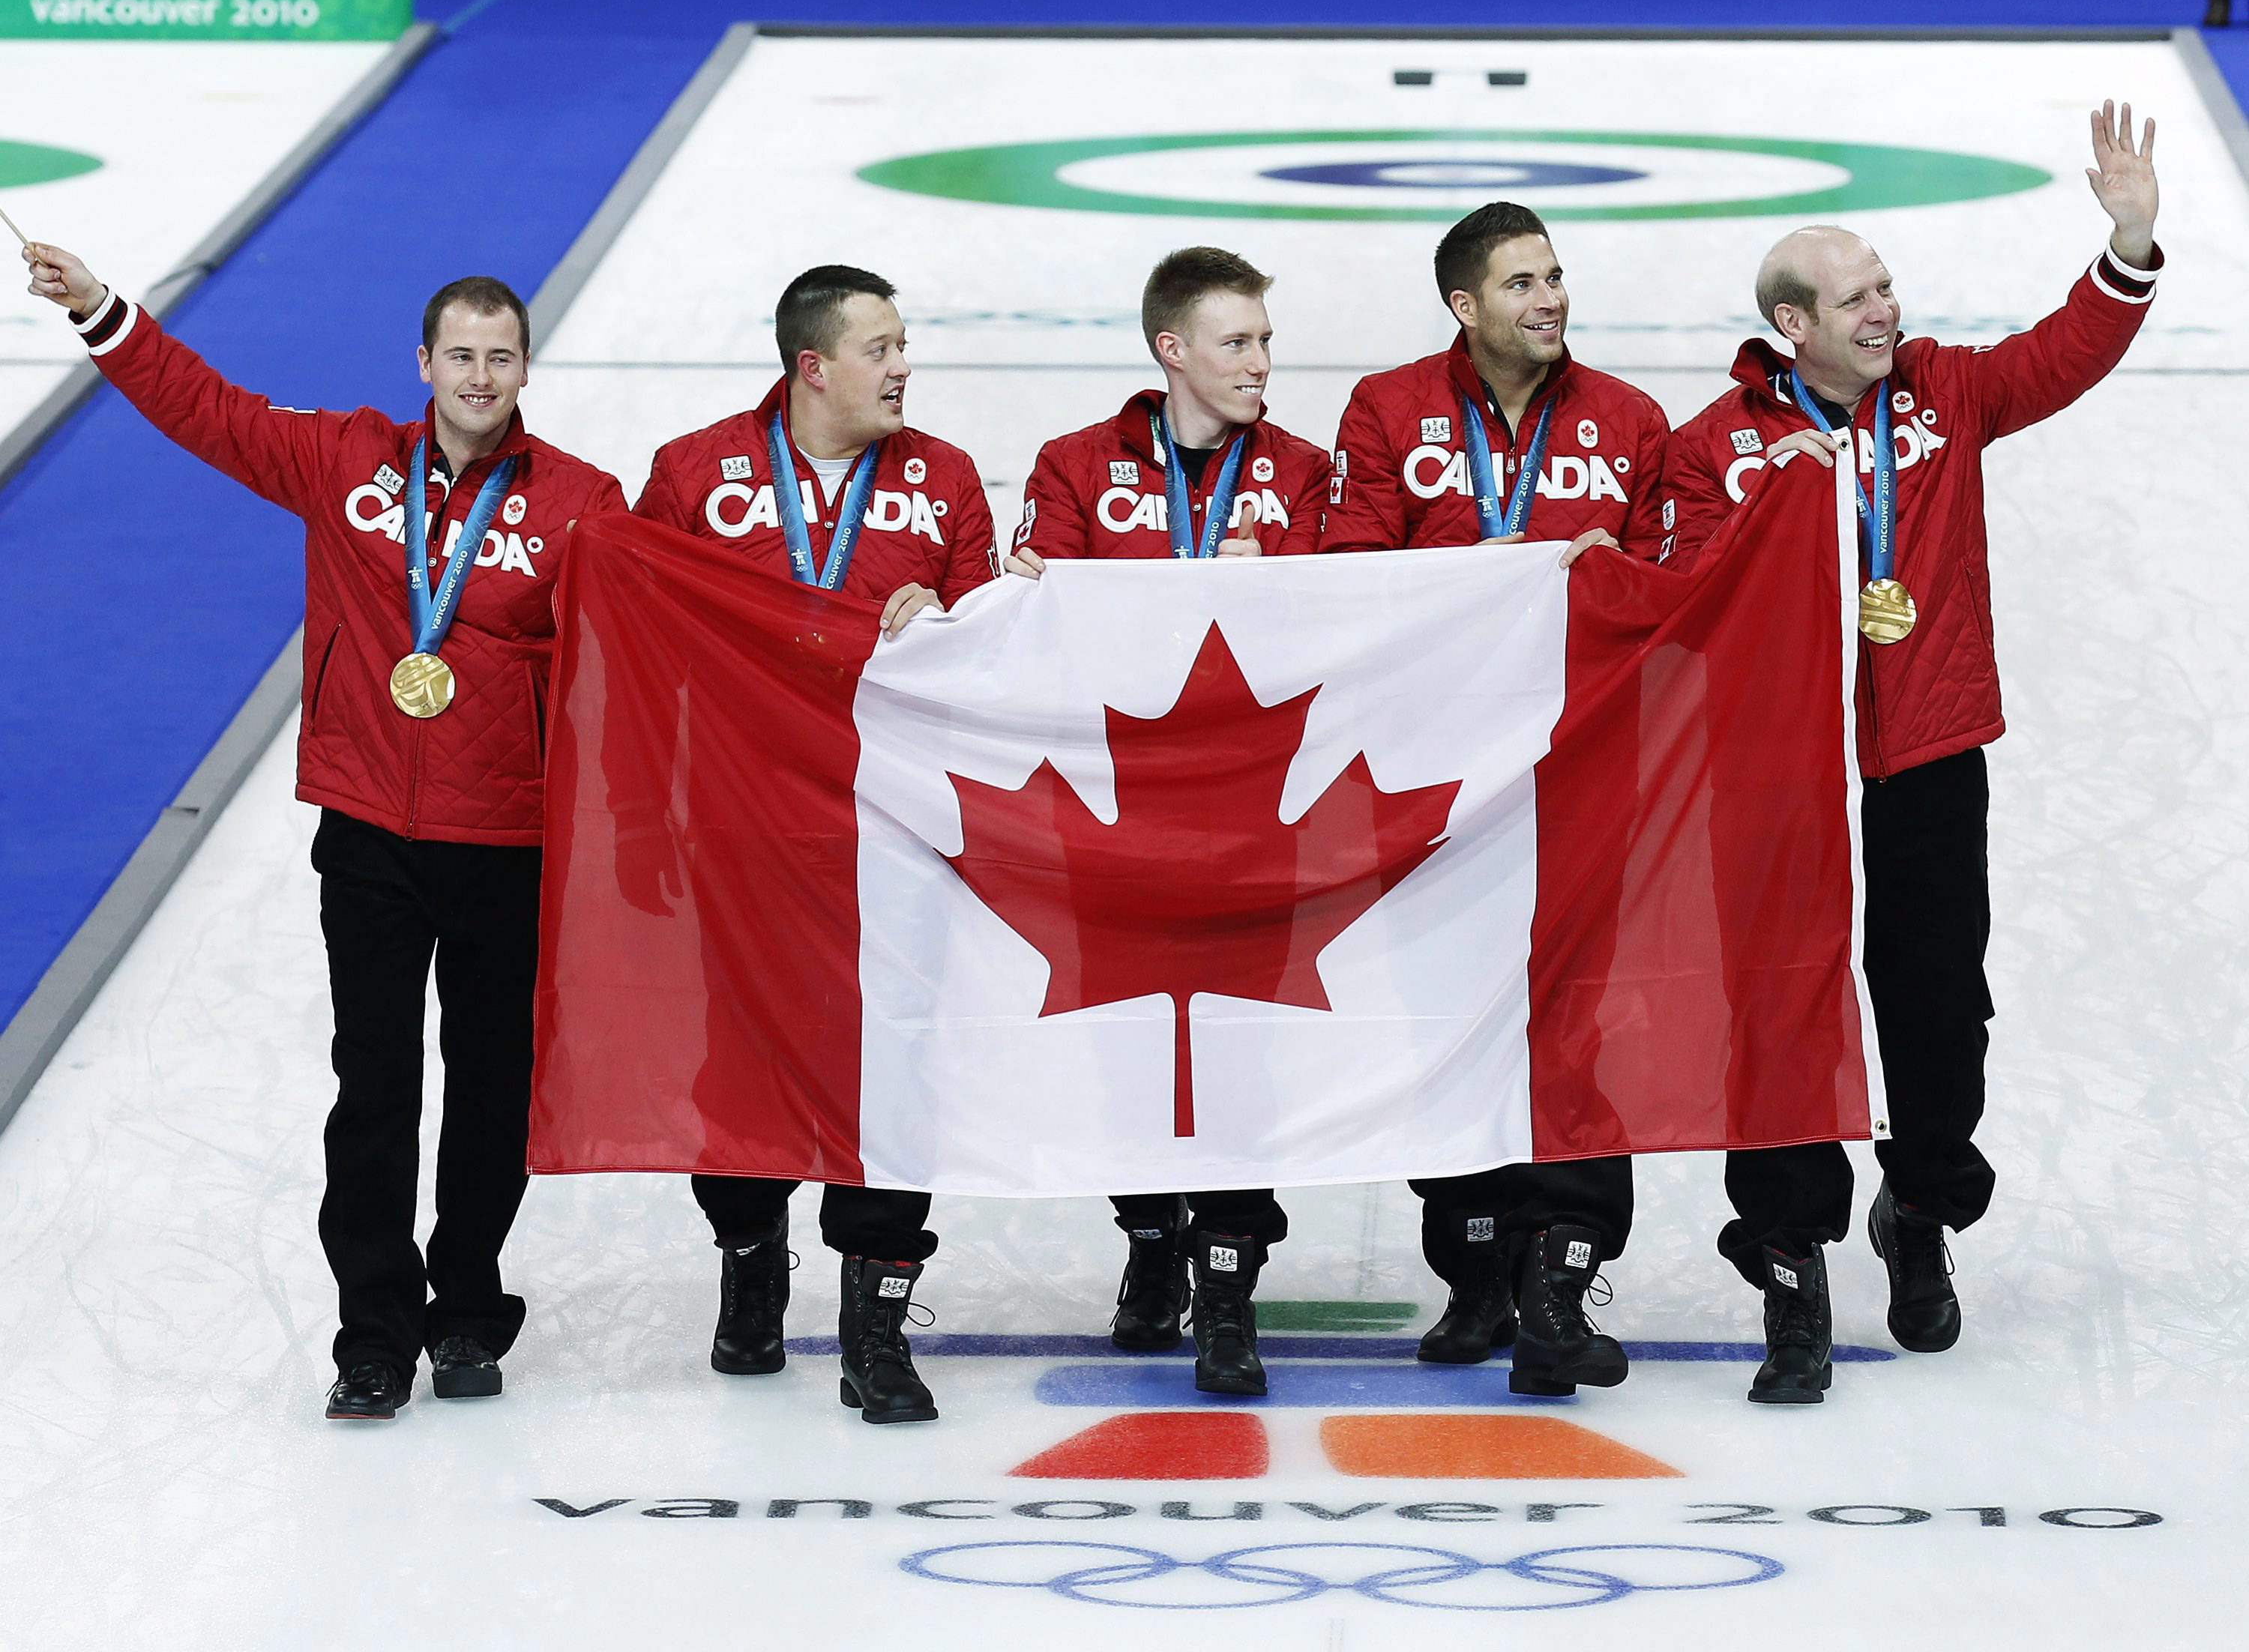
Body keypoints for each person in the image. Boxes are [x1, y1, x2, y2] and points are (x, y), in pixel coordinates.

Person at [20, 243, 624, 1421]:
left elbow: (662, 618)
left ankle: (466, 1309)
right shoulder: (345, 459)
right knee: (376, 1084)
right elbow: (210, 412)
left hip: (508, 834)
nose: (481, 378)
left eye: (502, 358)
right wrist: (100, 310)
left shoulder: (582, 503)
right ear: (425, 363)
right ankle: (376, 1334)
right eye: (462, 356)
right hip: (371, 832)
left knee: (495, 1086)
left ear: (527, 368)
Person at [1661, 101, 2162, 1402]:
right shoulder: (1720, 451)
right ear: (1796, 326)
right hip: (1779, 777)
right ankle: (1788, 1256)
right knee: (1779, 1007)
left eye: (1887, 285)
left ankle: (1921, 1209)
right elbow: (1657, 599)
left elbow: (2062, 357)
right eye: (1857, 296)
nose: (1886, 309)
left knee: (1939, 1002)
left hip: (1927, 751)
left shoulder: (1945, 390)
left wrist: (2129, 242)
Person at [628, 264, 996, 1425]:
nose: (903, 365)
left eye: (903, 343)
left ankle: (876, 1322)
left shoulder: (942, 481)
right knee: (735, 1065)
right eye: (881, 346)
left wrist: (955, 619)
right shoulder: (693, 475)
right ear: (813, 366)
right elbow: (637, 645)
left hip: (896, 834)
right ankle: (749, 1258)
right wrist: (642, 821)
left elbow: (996, 649)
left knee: (896, 1068)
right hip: (738, 834)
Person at [1318, 201, 1669, 1397]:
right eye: (1523, 283)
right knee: (1446, 1017)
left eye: (1558, 275)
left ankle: (1561, 1276)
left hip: (1583, 771)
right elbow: (1357, 570)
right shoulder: (1386, 409)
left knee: (1583, 1023)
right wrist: (1503, 576)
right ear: (1465, 308)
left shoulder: (1629, 421)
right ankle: (1473, 1266)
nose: (1551, 299)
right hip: (1439, 778)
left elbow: (1675, 594)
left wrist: (1614, 575)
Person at [1000, 245, 1329, 1397]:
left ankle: (1229, 1285)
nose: (1261, 365)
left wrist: (1280, 582)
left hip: (1251, 822)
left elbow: (1360, 631)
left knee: (1243, 1053)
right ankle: (1151, 1240)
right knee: (1127, 1044)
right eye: (1237, 343)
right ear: (1172, 350)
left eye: (1267, 342)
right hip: (1121, 819)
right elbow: (1051, 630)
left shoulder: (1305, 475)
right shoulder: (1076, 466)